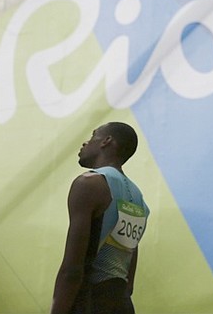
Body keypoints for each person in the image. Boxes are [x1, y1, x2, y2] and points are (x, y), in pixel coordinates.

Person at [51, 122, 149, 314]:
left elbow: (72, 270)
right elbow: (128, 278)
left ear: (106, 141)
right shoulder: (139, 200)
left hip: (89, 302)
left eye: (92, 136)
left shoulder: (89, 184)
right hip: (122, 304)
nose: (85, 143)